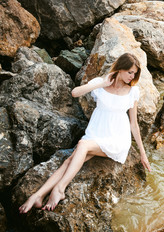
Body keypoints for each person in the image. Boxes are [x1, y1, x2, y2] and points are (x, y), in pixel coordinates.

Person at [19, 53, 151, 213]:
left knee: (82, 145)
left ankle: (60, 189)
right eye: (130, 72)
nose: (133, 76)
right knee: (69, 161)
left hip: (117, 138)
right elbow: (75, 93)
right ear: (120, 68)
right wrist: (101, 83)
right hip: (96, 134)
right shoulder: (100, 84)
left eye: (135, 73)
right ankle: (38, 195)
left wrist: (143, 154)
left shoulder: (132, 92)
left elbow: (134, 124)